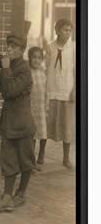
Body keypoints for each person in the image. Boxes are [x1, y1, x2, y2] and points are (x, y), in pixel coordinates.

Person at [0, 33, 36, 212]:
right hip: (9, 123)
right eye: (8, 45)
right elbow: (2, 63)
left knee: (25, 161)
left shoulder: (24, 69)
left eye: (14, 47)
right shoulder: (9, 64)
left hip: (23, 124)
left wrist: (6, 69)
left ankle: (21, 194)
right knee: (8, 160)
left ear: (22, 50)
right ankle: (7, 196)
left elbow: (10, 92)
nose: (9, 49)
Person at [45, 19, 75, 169]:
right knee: (47, 122)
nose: (68, 33)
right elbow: (46, 69)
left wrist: (75, 90)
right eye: (65, 30)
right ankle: (40, 155)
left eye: (70, 30)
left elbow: (78, 71)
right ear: (57, 31)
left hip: (67, 91)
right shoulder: (50, 48)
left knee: (66, 125)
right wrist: (45, 89)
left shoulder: (75, 48)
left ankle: (66, 158)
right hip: (51, 90)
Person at [28, 46, 48, 169]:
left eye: (39, 58)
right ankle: (31, 161)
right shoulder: (27, 73)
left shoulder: (43, 74)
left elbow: (46, 92)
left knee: (43, 133)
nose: (36, 60)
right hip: (31, 108)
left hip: (41, 107)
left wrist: (47, 107)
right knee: (32, 135)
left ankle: (41, 152)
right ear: (30, 58)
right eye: (34, 57)